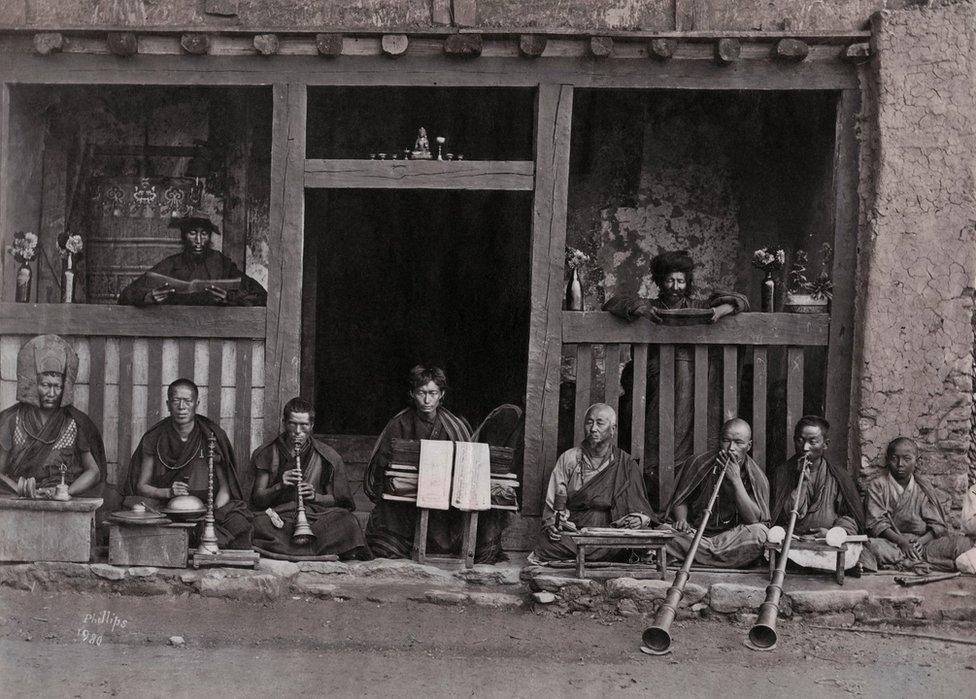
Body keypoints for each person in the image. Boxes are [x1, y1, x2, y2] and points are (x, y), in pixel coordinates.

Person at [603, 250, 749, 504]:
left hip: (691, 387)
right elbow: (612, 303)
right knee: (651, 435)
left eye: (681, 281)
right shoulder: (651, 306)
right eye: (670, 281)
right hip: (656, 386)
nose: (675, 287)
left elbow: (741, 301)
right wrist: (641, 311)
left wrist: (721, 311)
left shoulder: (698, 307)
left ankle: (685, 497)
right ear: (660, 282)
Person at [364, 365, 510, 563]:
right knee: (386, 516)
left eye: (432, 393)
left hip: (448, 503)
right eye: (421, 393)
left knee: (485, 507)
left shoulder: (455, 426)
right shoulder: (399, 424)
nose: (427, 400)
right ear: (411, 393)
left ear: (441, 395)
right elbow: (380, 468)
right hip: (408, 498)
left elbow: (466, 466)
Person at [123, 378, 253, 549]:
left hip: (205, 508)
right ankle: (191, 537)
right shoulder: (155, 437)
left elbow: (225, 488)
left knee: (239, 518)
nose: (181, 407)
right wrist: (167, 492)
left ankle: (184, 537)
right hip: (165, 507)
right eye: (176, 401)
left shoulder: (210, 435)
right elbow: (141, 486)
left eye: (187, 401)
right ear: (168, 404)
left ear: (196, 403)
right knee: (133, 506)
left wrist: (212, 511)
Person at [528, 403, 655, 564]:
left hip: (612, 531)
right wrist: (553, 523)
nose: (593, 428)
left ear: (612, 429)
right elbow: (553, 505)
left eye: (600, 423)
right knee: (546, 543)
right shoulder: (569, 458)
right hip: (578, 530)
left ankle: (590, 554)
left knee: (641, 537)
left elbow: (641, 506)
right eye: (589, 422)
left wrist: (639, 518)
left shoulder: (626, 464)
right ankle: (603, 554)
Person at [250, 398, 371, 560]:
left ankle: (284, 550)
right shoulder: (267, 453)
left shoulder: (327, 456)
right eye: (293, 424)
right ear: (284, 423)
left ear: (312, 426)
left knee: (347, 521)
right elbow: (257, 501)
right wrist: (279, 486)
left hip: (315, 519)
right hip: (279, 518)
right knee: (255, 524)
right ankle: (319, 551)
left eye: (304, 425)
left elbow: (341, 501)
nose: (298, 431)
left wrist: (316, 497)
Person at [0, 335, 105, 499]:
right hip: (18, 496)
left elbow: (94, 472)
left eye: (57, 386)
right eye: (45, 385)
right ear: (34, 385)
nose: (52, 393)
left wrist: (64, 492)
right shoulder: (11, 420)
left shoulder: (75, 422)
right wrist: (20, 488)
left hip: (61, 498)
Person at [664, 418, 769, 568]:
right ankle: (724, 560)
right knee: (664, 532)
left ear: (748, 446)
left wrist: (736, 480)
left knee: (760, 534)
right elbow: (680, 500)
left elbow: (753, 520)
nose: (731, 448)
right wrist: (682, 521)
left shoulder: (756, 475)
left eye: (739, 442)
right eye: (726, 440)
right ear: (719, 441)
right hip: (695, 534)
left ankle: (693, 557)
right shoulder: (699, 462)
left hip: (731, 539)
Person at [864, 437, 974, 572]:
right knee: (871, 546)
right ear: (888, 460)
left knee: (963, 543)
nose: (900, 464)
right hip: (892, 544)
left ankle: (908, 562)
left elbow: (938, 526)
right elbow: (876, 524)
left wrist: (920, 543)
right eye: (894, 458)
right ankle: (919, 563)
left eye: (907, 459)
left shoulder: (923, 487)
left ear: (917, 460)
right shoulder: (878, 486)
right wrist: (902, 542)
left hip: (924, 545)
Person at [118, 216, 266, 306]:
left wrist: (229, 298)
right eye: (193, 233)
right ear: (184, 236)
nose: (199, 240)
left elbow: (260, 296)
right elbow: (127, 294)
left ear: (209, 237)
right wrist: (149, 297)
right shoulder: (171, 264)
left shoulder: (221, 263)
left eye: (204, 234)